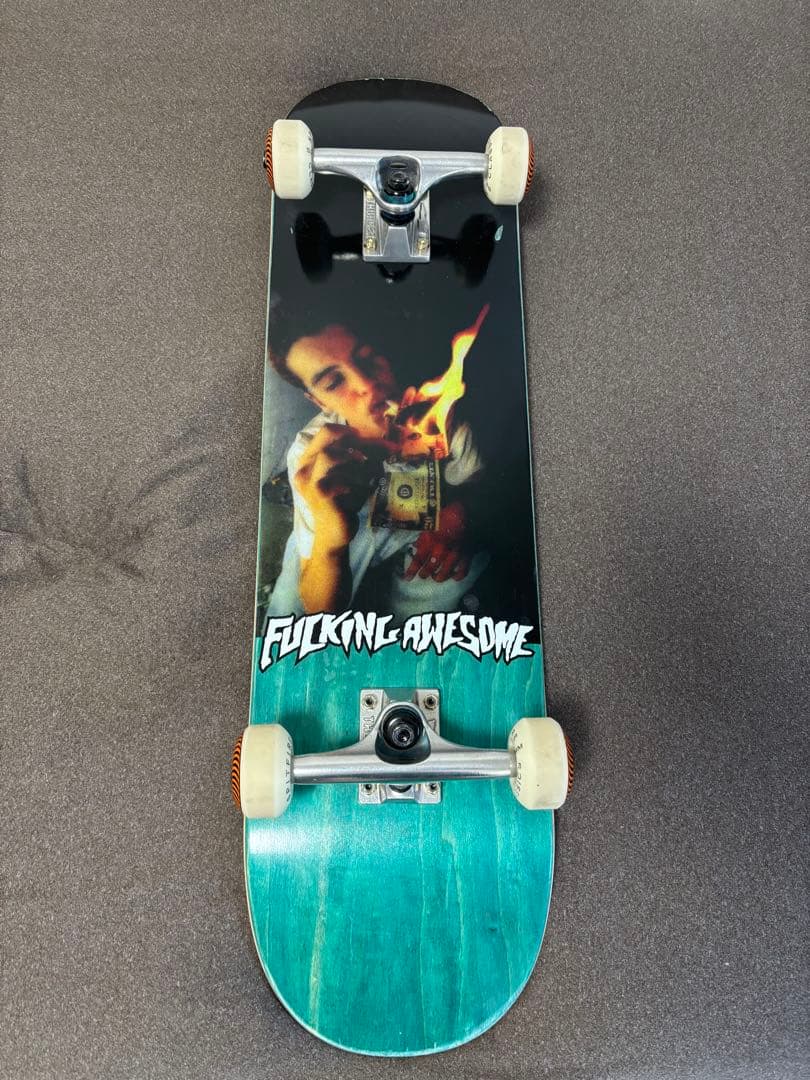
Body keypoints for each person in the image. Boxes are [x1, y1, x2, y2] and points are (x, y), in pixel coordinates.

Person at [265, 320, 488, 618]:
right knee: (294, 619)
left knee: (457, 566)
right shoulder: (311, 455)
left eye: (369, 358)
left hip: (420, 534)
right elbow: (320, 609)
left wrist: (462, 511)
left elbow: (480, 484)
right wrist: (331, 543)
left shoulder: (442, 423)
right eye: (334, 382)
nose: (367, 385)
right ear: (319, 401)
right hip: (333, 537)